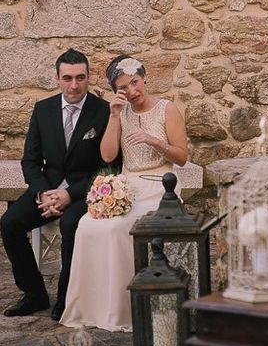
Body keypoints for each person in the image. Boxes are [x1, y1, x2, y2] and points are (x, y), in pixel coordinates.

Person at [60, 55, 188, 331]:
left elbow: (181, 157)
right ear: (116, 91)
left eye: (135, 83)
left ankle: (128, 309)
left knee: (120, 228)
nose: (132, 91)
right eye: (124, 88)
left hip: (161, 183)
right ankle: (96, 308)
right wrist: (115, 115)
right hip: (127, 184)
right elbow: (108, 155)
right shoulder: (121, 113)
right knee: (88, 224)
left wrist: (155, 141)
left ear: (144, 79)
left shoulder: (167, 109)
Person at [1, 49, 112, 321]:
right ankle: (34, 294)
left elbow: (108, 165)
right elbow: (30, 160)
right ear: (57, 78)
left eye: (80, 78)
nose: (74, 85)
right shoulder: (43, 109)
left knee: (70, 225)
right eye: (67, 78)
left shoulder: (104, 111)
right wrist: (43, 193)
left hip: (84, 191)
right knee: (9, 223)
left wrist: (68, 194)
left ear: (88, 77)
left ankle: (65, 298)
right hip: (47, 189)